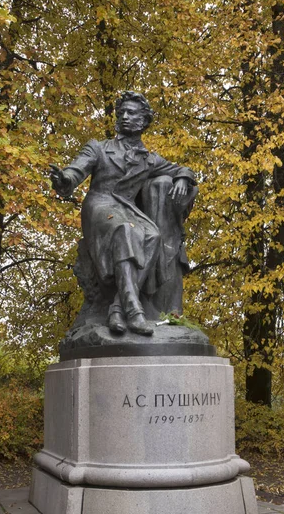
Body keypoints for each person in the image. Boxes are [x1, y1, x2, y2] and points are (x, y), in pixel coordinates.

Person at [50, 91, 196, 336]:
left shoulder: (149, 160)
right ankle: (133, 310)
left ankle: (117, 309)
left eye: (131, 113)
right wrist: (64, 180)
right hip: (100, 206)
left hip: (126, 210)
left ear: (144, 121)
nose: (125, 117)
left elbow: (182, 169)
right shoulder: (99, 148)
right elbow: (76, 171)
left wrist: (182, 178)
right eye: (122, 113)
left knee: (153, 236)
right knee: (124, 231)